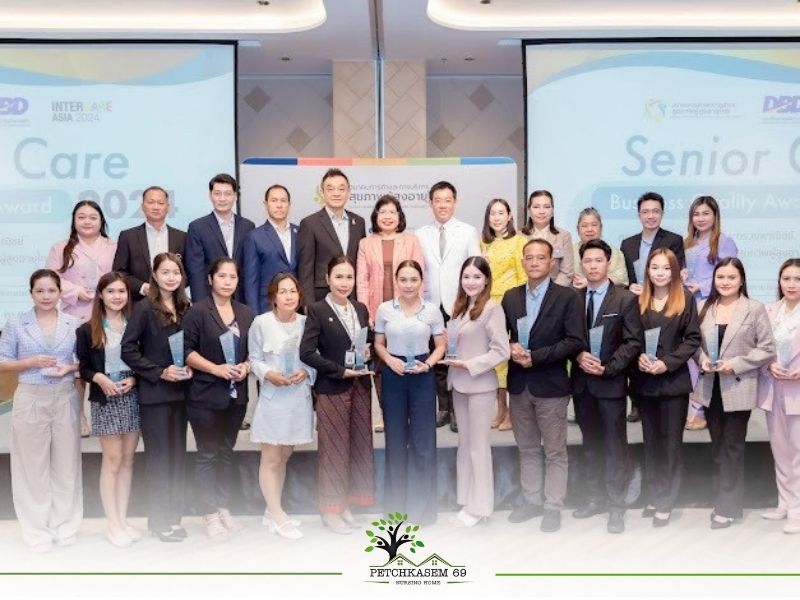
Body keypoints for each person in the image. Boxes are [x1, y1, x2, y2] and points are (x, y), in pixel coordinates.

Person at [502, 239, 583, 532]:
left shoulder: (567, 297)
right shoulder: (510, 297)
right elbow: (502, 337)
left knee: (554, 451)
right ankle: (531, 500)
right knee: (527, 448)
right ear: (523, 262)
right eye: (529, 257)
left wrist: (536, 357)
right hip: (519, 384)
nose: (534, 262)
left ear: (551, 262)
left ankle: (552, 505)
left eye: (540, 257)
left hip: (551, 385)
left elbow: (574, 341)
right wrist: (510, 347)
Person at [0, 269, 80, 553]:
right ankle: (36, 531)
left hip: (65, 395)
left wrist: (70, 367)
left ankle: (65, 526)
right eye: (40, 291)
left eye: (51, 290)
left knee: (66, 465)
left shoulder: (74, 323)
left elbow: (84, 361)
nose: (46, 296)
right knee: (31, 467)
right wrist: (30, 362)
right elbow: (2, 362)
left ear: (60, 292)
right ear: (31, 293)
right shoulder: (16, 322)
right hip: (30, 395)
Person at [694, 257, 775, 529]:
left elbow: (767, 348)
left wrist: (735, 364)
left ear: (741, 280)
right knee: (718, 446)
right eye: (720, 277)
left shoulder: (754, 308)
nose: (725, 282)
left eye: (731, 277)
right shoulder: (704, 307)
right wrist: (702, 359)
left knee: (732, 447)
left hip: (738, 386)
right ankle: (724, 500)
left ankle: (727, 507)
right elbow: (693, 344)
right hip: (710, 387)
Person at [571, 239, 643, 534]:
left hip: (611, 384)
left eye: (598, 260)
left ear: (608, 263)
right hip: (582, 384)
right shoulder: (573, 298)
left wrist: (609, 367)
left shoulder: (624, 299)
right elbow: (567, 337)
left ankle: (616, 506)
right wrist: (578, 356)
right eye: (588, 261)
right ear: (582, 264)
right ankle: (595, 498)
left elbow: (633, 341)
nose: (593, 266)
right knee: (590, 443)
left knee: (615, 446)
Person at [299, 256, 374, 534]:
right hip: (333, 388)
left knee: (358, 447)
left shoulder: (360, 308)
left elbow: (366, 342)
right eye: (339, 277)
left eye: (349, 277)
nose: (344, 283)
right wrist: (339, 371)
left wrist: (368, 352)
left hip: (360, 387)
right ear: (327, 279)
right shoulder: (317, 310)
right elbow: (306, 353)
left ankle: (346, 505)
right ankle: (331, 511)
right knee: (334, 451)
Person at [121, 252, 192, 542]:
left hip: (182, 393)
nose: (171, 277)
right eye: (165, 272)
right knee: (159, 460)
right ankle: (158, 521)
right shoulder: (143, 308)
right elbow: (128, 349)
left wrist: (191, 365)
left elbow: (192, 345)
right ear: (155, 275)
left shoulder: (187, 307)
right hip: (155, 395)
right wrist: (159, 372)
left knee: (177, 458)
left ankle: (173, 517)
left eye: (176, 272)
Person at [182, 257, 254, 540]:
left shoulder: (246, 313)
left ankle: (223, 507)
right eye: (222, 276)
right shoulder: (197, 311)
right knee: (208, 453)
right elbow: (187, 352)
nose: (227, 281)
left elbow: (254, 351)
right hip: (205, 395)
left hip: (236, 397)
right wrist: (216, 369)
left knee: (226, 452)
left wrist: (246, 366)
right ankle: (208, 512)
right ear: (210, 279)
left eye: (232, 277)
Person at [629, 249, 701, 527]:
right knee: (651, 443)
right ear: (647, 271)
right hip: (645, 381)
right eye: (655, 267)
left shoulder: (686, 299)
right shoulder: (638, 301)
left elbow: (692, 340)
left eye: (666, 268)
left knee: (670, 444)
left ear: (675, 271)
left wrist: (667, 363)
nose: (660, 273)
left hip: (673, 383)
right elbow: (631, 337)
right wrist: (638, 356)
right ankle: (655, 493)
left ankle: (666, 500)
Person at [373, 260, 445, 526]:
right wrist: (389, 360)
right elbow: (378, 344)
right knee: (395, 441)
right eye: (403, 279)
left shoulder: (432, 310)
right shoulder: (384, 309)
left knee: (423, 442)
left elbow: (441, 345)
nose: (408, 285)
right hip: (393, 374)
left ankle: (422, 510)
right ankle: (395, 510)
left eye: (413, 279)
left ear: (421, 282)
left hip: (422, 375)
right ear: (396, 281)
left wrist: (428, 364)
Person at [75, 271, 141, 547]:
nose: (117, 296)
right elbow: (84, 369)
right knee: (112, 460)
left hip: (131, 395)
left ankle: (122, 520)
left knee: (128, 460)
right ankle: (112, 524)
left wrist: (135, 378)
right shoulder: (86, 329)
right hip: (105, 397)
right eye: (111, 291)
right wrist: (99, 378)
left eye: (121, 291)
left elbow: (145, 360)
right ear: (100, 295)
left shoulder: (136, 324)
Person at [444, 256, 510, 526]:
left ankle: (480, 507)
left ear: (486, 281)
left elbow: (502, 351)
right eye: (466, 276)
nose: (470, 282)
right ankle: (466, 498)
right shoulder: (459, 308)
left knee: (479, 447)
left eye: (476, 277)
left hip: (481, 385)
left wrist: (470, 364)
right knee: (465, 444)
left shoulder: (493, 309)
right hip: (458, 384)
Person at [249, 272, 315, 540]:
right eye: (283, 291)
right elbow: (253, 359)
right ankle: (278, 515)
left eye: (293, 291)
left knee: (285, 454)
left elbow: (315, 357)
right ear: (273, 297)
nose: (289, 296)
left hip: (298, 398)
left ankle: (270, 510)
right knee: (271, 458)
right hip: (273, 399)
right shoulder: (261, 323)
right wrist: (268, 374)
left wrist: (306, 371)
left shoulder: (307, 323)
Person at [46, 200, 117, 437]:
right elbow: (51, 278)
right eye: (81, 217)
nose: (87, 221)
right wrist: (75, 290)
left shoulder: (113, 246)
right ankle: (79, 417)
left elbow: (121, 275)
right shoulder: (61, 248)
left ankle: (109, 415)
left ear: (101, 221)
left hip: (107, 311)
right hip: (74, 313)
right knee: (77, 368)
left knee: (105, 364)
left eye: (93, 217)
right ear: (74, 220)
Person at [415, 181, 480, 432]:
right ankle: (442, 407)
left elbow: (475, 268)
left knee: (458, 358)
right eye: (437, 200)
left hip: (458, 304)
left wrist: (472, 302)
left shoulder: (468, 231)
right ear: (430, 204)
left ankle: (457, 410)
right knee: (436, 358)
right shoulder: (420, 233)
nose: (442, 205)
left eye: (447, 200)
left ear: (455, 202)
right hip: (430, 306)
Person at [356, 194, 424, 433]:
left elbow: (419, 277)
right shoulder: (366, 243)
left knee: (406, 357)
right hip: (377, 311)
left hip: (406, 310)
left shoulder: (411, 241)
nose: (387, 216)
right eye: (382, 211)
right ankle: (387, 414)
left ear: (399, 216)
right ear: (376, 216)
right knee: (379, 363)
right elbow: (362, 280)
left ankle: (408, 413)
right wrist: (365, 312)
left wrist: (416, 310)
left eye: (392, 212)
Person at [620, 191, 685, 423]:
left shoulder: (674, 240)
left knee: (659, 348)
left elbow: (677, 272)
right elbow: (625, 276)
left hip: (662, 302)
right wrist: (630, 287)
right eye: (645, 212)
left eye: (655, 211)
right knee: (635, 349)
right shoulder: (628, 244)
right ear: (639, 214)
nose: (650, 216)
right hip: (636, 305)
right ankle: (637, 401)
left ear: (662, 213)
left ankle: (659, 394)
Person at [683, 195, 738, 431]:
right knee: (691, 356)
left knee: (706, 356)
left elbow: (731, 275)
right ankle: (694, 407)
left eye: (706, 213)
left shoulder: (724, 242)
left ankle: (701, 411)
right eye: (696, 214)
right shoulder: (687, 242)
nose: (701, 218)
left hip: (712, 304)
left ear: (715, 216)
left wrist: (702, 286)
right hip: (688, 305)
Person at [758, 259, 800, 534]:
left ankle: (797, 509)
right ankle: (784, 503)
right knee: (781, 451)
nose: (792, 284)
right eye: (786, 279)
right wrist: (768, 364)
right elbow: (759, 348)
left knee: (798, 453)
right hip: (774, 388)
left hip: (798, 389)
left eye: (798, 279)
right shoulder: (769, 311)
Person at [480, 198, 527, 431]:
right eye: (492, 213)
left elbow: (524, 277)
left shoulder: (520, 242)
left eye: (501, 213)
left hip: (511, 304)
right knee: (494, 360)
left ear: (509, 216)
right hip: (487, 305)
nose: (496, 218)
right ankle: (500, 409)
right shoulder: (483, 243)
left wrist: (520, 307)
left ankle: (512, 413)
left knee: (509, 359)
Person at [298, 168, 366, 302]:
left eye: (341, 189)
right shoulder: (310, 223)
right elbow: (306, 270)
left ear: (348, 192)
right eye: (330, 189)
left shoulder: (358, 222)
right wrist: (308, 306)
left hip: (352, 296)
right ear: (322, 192)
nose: (336, 193)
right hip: (322, 296)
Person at [186, 173, 255, 303]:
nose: (222, 199)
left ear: (235, 196)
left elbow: (250, 268)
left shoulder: (248, 226)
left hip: (241, 299)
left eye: (227, 194)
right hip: (210, 298)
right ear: (210, 195)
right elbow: (196, 272)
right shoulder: (197, 227)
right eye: (217, 194)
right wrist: (201, 305)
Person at [112, 186, 187, 303]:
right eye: (151, 202)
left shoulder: (182, 237)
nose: (156, 207)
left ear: (168, 207)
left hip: (174, 303)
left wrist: (172, 286)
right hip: (138, 303)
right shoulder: (128, 236)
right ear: (142, 206)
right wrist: (143, 287)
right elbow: (119, 272)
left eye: (160, 203)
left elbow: (190, 271)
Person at [243, 184, 299, 315]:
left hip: (296, 308)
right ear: (265, 204)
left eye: (283, 201)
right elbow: (251, 282)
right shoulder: (254, 237)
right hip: (267, 307)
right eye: (274, 200)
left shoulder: (300, 232)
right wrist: (254, 316)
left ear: (289, 204)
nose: (279, 205)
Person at [520, 190, 574, 287]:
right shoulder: (518, 236)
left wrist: (551, 292)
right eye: (536, 207)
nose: (541, 211)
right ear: (529, 211)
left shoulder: (564, 236)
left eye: (547, 207)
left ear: (552, 211)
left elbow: (567, 272)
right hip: (524, 291)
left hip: (555, 291)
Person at [572, 207, 628, 289]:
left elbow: (621, 279)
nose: (589, 229)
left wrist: (589, 282)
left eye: (594, 225)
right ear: (578, 229)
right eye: (584, 226)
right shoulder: (569, 251)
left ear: (601, 227)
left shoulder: (615, 253)